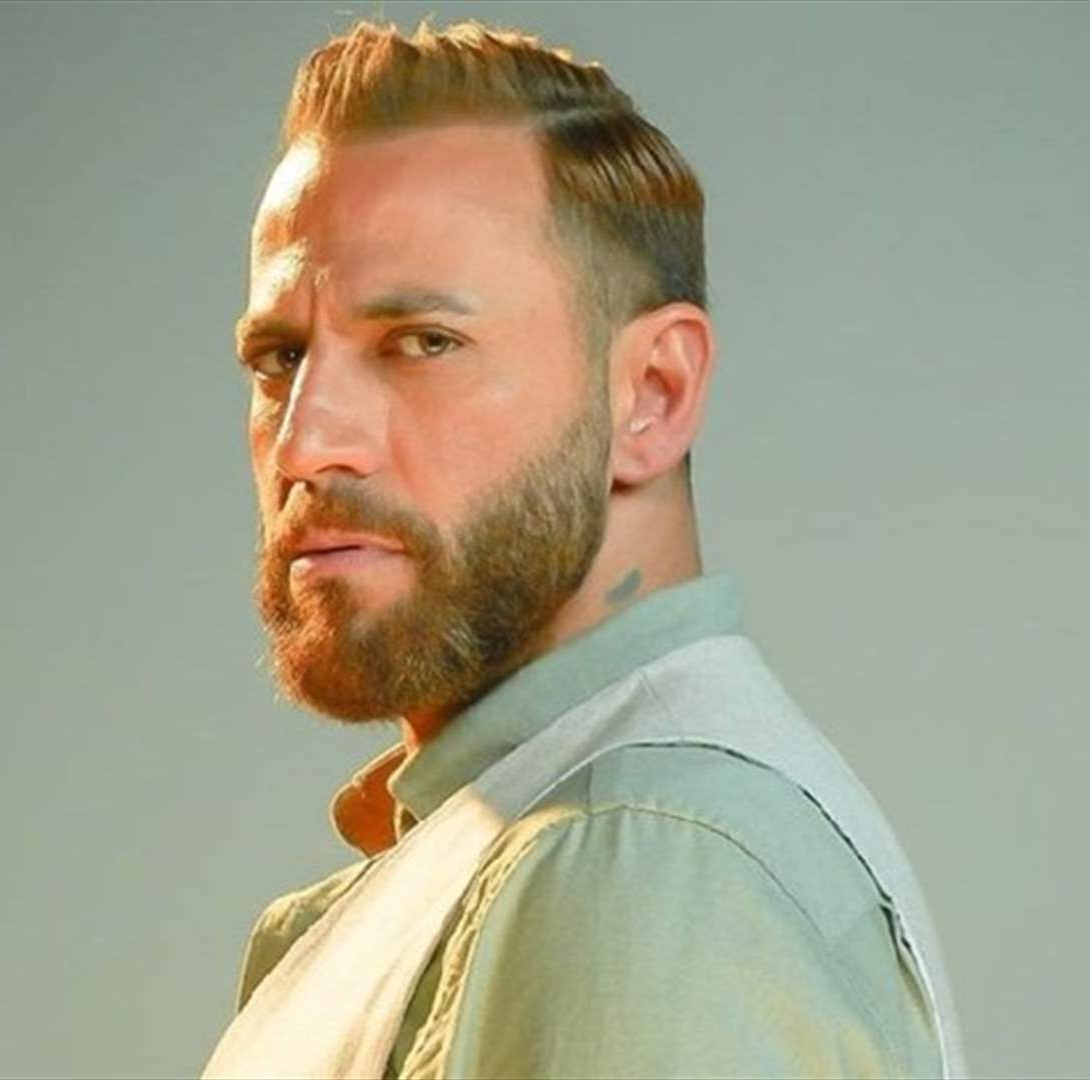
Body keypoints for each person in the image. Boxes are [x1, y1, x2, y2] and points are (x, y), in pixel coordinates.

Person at [204, 18, 966, 1079]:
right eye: (280, 359)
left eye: (422, 342)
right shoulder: (553, 840)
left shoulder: (641, 862)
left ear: (652, 394)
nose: (306, 442)